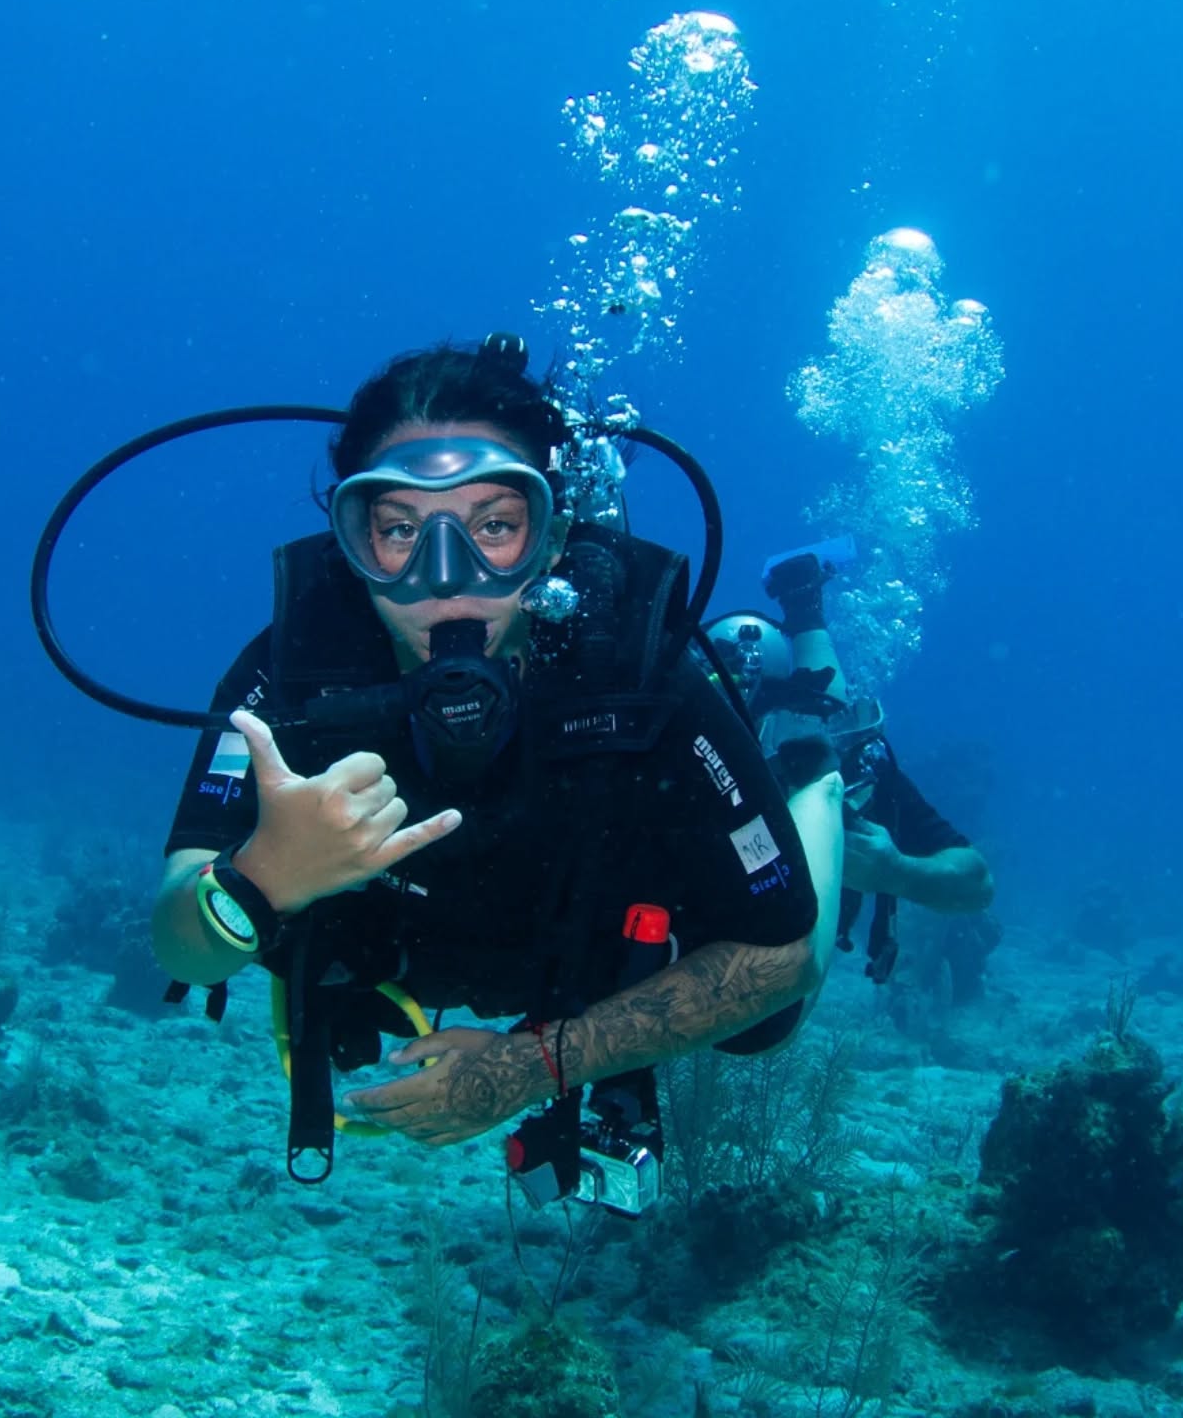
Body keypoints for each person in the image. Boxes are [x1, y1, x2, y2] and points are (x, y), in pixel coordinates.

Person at [149, 338, 844, 1190]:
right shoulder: (287, 680)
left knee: (766, 1025)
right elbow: (181, 949)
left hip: (589, 958)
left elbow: (782, 955)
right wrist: (261, 877)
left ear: (551, 538)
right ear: (353, 539)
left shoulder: (635, 674)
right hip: (411, 955)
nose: (447, 581)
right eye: (402, 529)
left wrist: (533, 1064)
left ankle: (823, 791)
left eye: (494, 527)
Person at [709, 550, 993, 993]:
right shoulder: (684, 760)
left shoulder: (850, 774)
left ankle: (804, 607)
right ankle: (802, 606)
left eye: (790, 725)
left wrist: (896, 872)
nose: (771, 752)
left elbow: (977, 882)